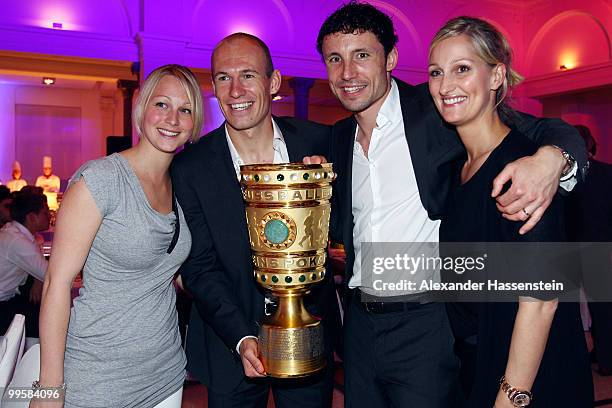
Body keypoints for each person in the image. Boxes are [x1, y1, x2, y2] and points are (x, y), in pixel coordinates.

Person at [317, 3, 587, 407]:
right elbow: (344, 226)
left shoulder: (436, 112)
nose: (347, 73)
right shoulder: (337, 139)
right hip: (362, 326)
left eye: (362, 56)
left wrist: (554, 158)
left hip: (427, 325)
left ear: (389, 59)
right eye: (335, 59)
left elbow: (537, 125)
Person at [429, 16, 593, 407]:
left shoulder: (525, 165)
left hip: (527, 374)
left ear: (497, 76)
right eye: (437, 72)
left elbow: (543, 299)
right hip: (476, 362)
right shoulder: (456, 168)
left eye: (463, 69)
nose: (446, 85)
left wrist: (510, 398)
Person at [172, 33, 340, 408]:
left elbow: (351, 225)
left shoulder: (321, 143)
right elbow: (200, 266)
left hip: (310, 335)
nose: (235, 91)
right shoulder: (190, 167)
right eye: (223, 78)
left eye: (248, 75)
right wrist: (240, 337)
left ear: (274, 82)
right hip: (230, 343)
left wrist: (325, 195)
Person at [32, 64, 203, 408]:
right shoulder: (101, 180)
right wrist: (50, 388)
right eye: (162, 104)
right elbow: (56, 283)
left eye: (185, 109)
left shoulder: (184, 185)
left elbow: (170, 271)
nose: (173, 118)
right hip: (98, 374)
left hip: (166, 371)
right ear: (141, 107)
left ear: (194, 122)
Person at [567, 124, 612, 376]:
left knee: (569, 310)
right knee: (603, 307)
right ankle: (606, 359)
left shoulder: (565, 176)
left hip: (568, 247)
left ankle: (577, 362)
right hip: (599, 245)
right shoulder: (607, 173)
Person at [0, 191, 49, 336]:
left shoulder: (15, 232)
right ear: (32, 217)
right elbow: (50, 275)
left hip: (10, 299)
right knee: (42, 320)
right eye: (45, 213)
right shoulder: (17, 240)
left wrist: (38, 280)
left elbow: (40, 267)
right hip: (3, 305)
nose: (50, 216)